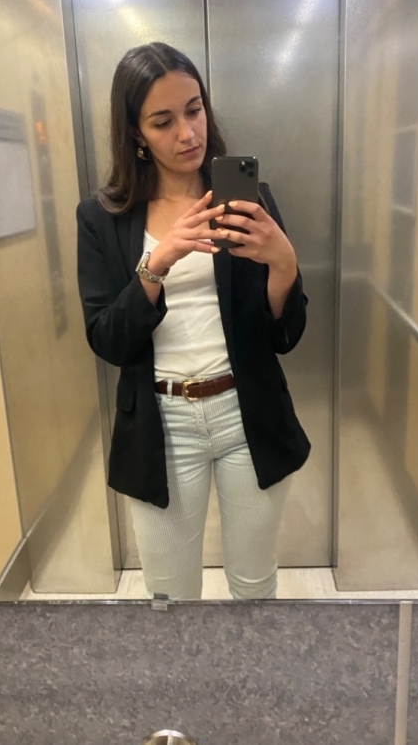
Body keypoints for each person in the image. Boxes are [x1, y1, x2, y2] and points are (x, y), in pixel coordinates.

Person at [76, 42, 310, 601]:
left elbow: (284, 336)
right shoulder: (103, 218)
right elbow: (107, 340)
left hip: (245, 414)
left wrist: (284, 264)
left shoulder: (249, 201)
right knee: (170, 599)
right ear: (135, 133)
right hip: (162, 425)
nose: (188, 133)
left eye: (195, 109)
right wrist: (156, 264)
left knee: (254, 588)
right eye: (163, 122)